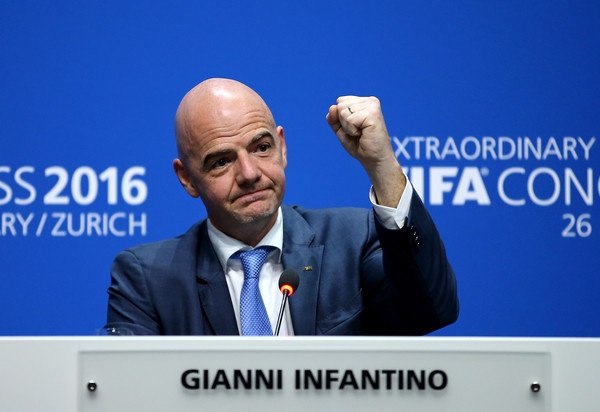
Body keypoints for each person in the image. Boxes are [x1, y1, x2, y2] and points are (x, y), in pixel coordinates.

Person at [105, 78, 458, 336]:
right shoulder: (148, 278)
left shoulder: (353, 241)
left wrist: (383, 167)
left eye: (261, 148)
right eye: (221, 162)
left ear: (282, 147)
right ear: (187, 179)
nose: (249, 173)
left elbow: (432, 310)